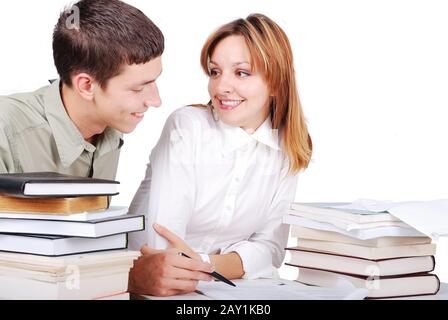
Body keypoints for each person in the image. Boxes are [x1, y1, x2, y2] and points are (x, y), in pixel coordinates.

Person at [128, 13, 312, 297]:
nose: (221, 87)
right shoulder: (187, 127)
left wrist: (206, 263)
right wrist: (234, 262)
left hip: (213, 292)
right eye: (215, 72)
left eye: (241, 72)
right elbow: (162, 251)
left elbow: (271, 251)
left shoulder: (287, 151)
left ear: (276, 83)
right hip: (142, 290)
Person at [0, 0, 164, 179]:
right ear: (86, 86)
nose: (156, 101)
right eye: (137, 88)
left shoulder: (110, 123)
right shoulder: (5, 129)